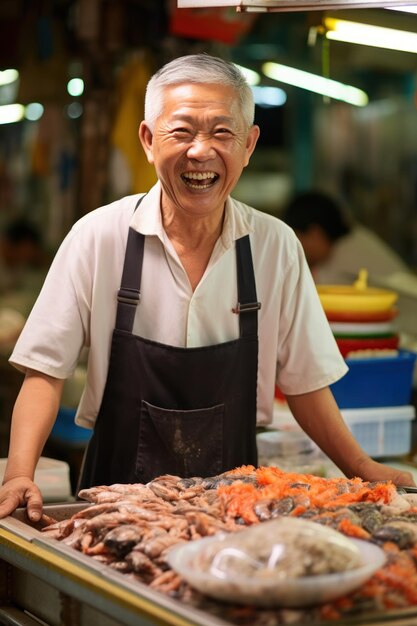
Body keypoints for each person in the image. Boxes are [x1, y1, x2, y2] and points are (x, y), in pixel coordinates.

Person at [0, 54, 413, 523]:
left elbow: (305, 384)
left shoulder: (274, 246)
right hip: (112, 503)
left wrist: (362, 468)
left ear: (250, 144)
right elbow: (45, 372)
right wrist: (18, 472)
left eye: (222, 132)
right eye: (181, 131)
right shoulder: (98, 237)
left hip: (234, 510)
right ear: (148, 141)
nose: (201, 151)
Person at [281, 190, 412, 285]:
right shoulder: (356, 237)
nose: (298, 249)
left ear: (315, 234)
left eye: (299, 240)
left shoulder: (345, 257)